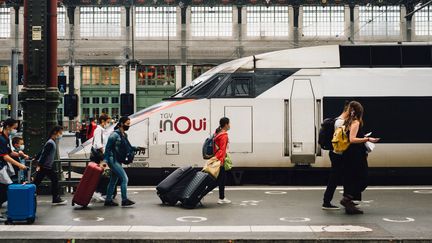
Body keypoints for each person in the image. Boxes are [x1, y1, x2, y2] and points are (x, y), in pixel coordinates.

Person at [340, 101, 379, 215]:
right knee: (363, 178)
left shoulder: (348, 122)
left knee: (351, 177)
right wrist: (367, 139)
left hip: (349, 154)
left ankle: (349, 204)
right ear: (360, 111)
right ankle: (347, 198)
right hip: (355, 155)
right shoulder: (356, 122)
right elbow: (352, 139)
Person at [104, 116, 145, 207]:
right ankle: (124, 199)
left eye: (129, 124)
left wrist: (137, 148)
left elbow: (128, 147)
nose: (128, 126)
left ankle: (108, 200)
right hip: (112, 159)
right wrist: (105, 161)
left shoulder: (124, 135)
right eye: (127, 124)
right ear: (121, 124)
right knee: (124, 178)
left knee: (113, 180)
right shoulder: (114, 135)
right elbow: (107, 149)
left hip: (118, 159)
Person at [322, 102, 349, 210]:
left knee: (340, 177)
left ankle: (346, 199)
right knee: (335, 178)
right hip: (339, 154)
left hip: (335, 152)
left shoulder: (337, 120)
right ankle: (327, 202)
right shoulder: (341, 122)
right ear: (348, 110)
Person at [0, 119, 27, 220]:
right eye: (14, 128)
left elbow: (10, 152)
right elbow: (5, 156)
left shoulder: (6, 138)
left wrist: (20, 154)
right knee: (5, 188)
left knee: (4, 189)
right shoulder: (1, 139)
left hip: (3, 167)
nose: (15, 130)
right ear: (7, 126)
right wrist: (19, 164)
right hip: (1, 167)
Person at [33, 125, 67, 205]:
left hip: (45, 166)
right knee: (53, 180)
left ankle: (27, 195)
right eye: (60, 133)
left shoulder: (50, 142)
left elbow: (42, 151)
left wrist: (36, 158)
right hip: (45, 166)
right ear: (56, 133)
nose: (61, 134)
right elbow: (44, 154)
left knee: (37, 182)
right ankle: (55, 199)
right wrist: (39, 164)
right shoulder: (51, 143)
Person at [91, 114, 111, 202]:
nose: (108, 124)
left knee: (102, 174)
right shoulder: (99, 130)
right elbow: (99, 144)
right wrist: (104, 155)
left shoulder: (102, 130)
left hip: (100, 156)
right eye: (108, 122)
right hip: (99, 156)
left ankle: (99, 192)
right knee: (101, 174)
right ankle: (98, 192)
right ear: (103, 121)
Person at [214, 117, 231, 204]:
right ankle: (221, 198)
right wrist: (221, 161)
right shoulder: (224, 135)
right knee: (221, 179)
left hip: (216, 158)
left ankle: (222, 197)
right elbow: (222, 149)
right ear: (226, 124)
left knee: (221, 179)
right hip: (220, 160)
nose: (230, 125)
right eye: (229, 124)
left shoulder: (217, 132)